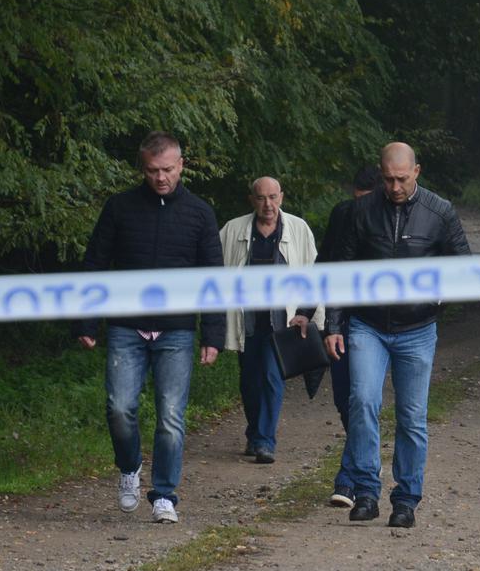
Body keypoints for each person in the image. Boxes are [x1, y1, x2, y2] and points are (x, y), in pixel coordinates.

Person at [76, 132, 224, 524]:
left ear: (181, 166)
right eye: (153, 171)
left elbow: (213, 277)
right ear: (142, 169)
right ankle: (129, 468)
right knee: (119, 408)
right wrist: (86, 320)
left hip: (176, 330)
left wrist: (213, 333)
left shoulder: (200, 213)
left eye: (168, 170)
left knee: (171, 416)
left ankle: (164, 495)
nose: (161, 178)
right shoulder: (119, 207)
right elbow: (95, 263)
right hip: (126, 325)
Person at [323, 143, 470, 528]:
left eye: (402, 179)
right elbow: (340, 270)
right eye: (388, 179)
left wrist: (436, 302)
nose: (394, 186)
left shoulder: (439, 211)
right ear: (380, 173)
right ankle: (366, 491)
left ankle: (406, 499)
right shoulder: (361, 211)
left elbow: (464, 267)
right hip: (367, 324)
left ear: (416, 172)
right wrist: (333, 325)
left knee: (412, 416)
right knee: (362, 402)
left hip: (417, 329)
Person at [219, 176, 321, 465]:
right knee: (249, 381)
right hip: (248, 321)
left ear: (281, 197)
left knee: (272, 377)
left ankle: (265, 441)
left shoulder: (298, 229)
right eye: (262, 198)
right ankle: (254, 433)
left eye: (273, 197)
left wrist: (306, 313)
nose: (268, 204)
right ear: (252, 200)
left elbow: (314, 274)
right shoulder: (233, 230)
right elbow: (215, 272)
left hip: (282, 322)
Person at [316, 163, 380, 510]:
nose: (361, 209)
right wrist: (306, 309)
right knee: (344, 400)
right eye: (357, 201)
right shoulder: (343, 214)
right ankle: (366, 459)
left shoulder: (393, 221)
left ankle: (349, 478)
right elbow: (324, 263)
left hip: (376, 325)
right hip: (340, 320)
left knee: (361, 400)